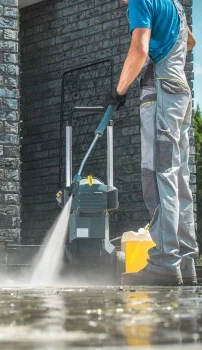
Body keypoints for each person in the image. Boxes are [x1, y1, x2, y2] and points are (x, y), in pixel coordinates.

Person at [104, 0, 198, 285]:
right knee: (178, 178)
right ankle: (186, 261)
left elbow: (139, 48)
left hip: (160, 97)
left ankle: (164, 263)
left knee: (158, 177)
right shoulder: (175, 5)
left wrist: (119, 91)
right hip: (180, 93)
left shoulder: (140, 1)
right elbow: (189, 42)